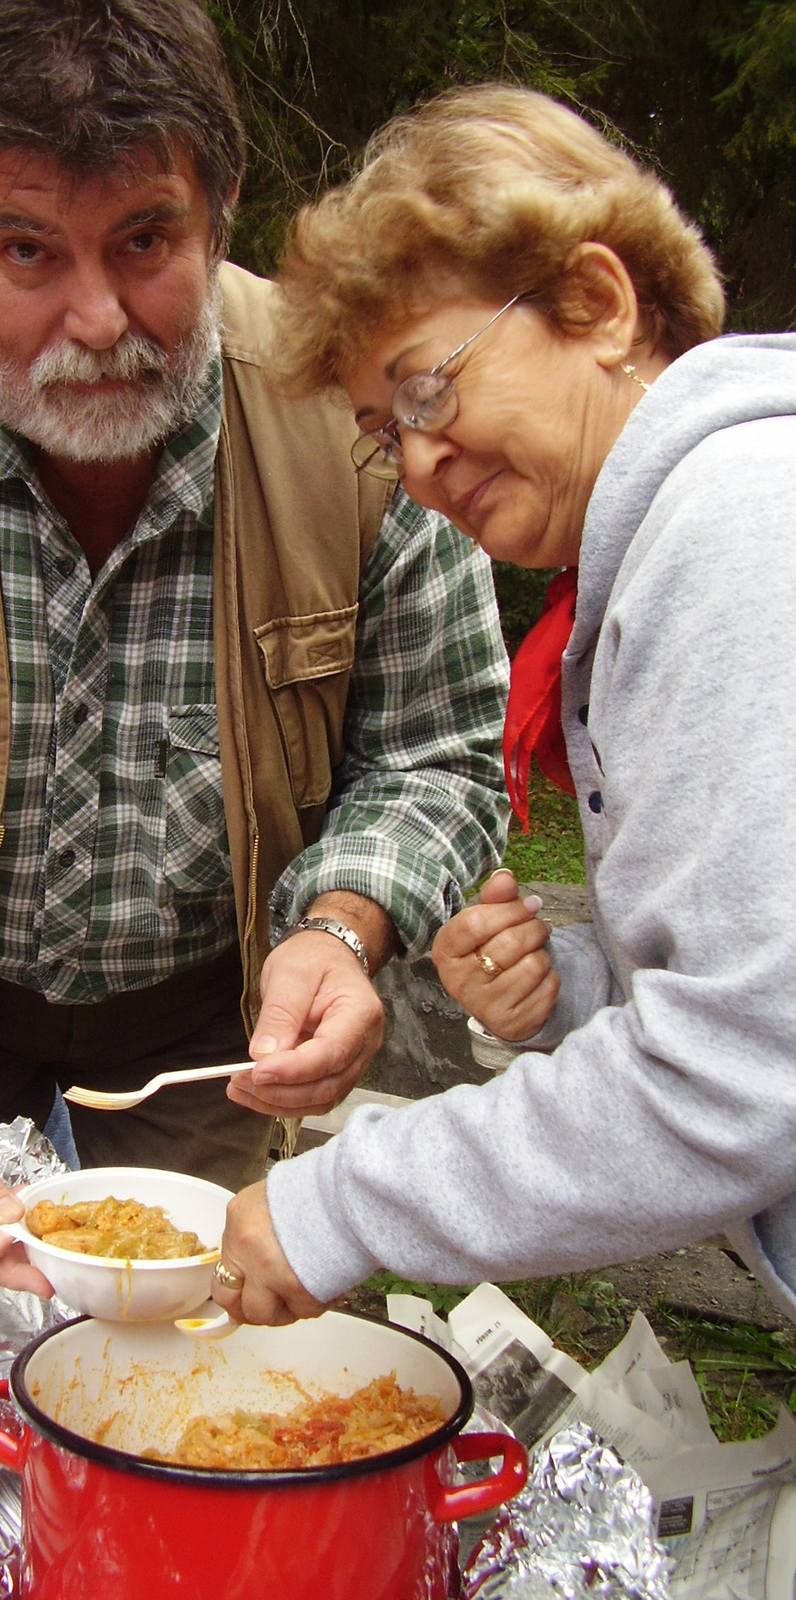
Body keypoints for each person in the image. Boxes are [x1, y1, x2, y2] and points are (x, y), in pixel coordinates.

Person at [0, 0, 510, 1294]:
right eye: (25, 251)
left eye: (145, 241)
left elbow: (437, 756)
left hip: (220, 1025)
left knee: (197, 1352)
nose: (101, 318)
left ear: (220, 205)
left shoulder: (358, 429)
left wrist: (342, 934)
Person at [212, 82, 796, 1329]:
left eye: (427, 393)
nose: (417, 465)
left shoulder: (738, 524)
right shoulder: (678, 535)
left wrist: (337, 1206)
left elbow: (743, 1079)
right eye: (385, 432)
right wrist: (574, 992)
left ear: (596, 303)